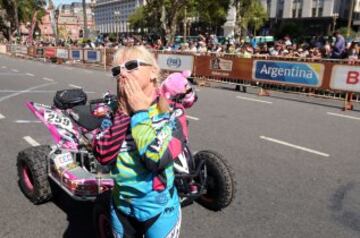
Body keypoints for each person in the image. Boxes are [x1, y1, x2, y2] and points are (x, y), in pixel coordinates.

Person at [93, 46, 184, 238]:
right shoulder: (113, 112)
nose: (122, 74)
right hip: (121, 207)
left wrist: (140, 114)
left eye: (131, 65)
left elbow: (156, 159)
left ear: (153, 71)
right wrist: (124, 115)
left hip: (159, 210)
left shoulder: (172, 112)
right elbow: (102, 155)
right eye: (117, 71)